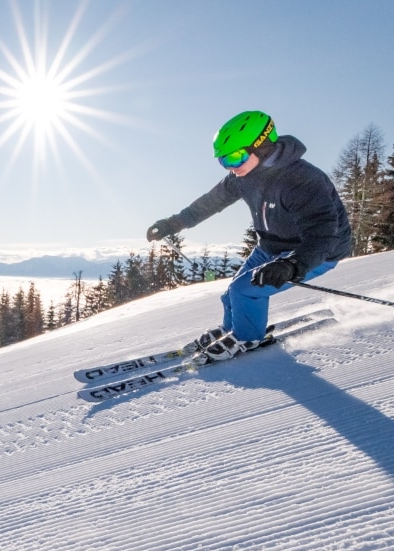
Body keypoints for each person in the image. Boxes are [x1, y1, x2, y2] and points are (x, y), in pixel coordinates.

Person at [146, 110, 352, 362]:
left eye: (235, 157)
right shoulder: (243, 177)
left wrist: (292, 264)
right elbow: (210, 202)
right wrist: (173, 223)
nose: (230, 167)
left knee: (246, 291)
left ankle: (247, 338)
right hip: (271, 246)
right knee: (231, 293)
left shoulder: (303, 180)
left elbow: (322, 233)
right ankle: (234, 330)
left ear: (262, 147)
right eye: (223, 161)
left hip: (316, 252)